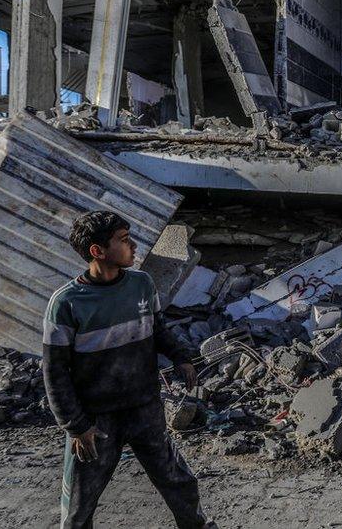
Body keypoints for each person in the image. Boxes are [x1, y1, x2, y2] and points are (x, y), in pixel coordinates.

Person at [42, 211, 214, 528]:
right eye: (123, 240)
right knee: (81, 501)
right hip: (96, 420)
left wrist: (182, 356)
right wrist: (76, 426)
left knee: (177, 480)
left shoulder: (141, 284)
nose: (133, 246)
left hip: (145, 408)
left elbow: (158, 329)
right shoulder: (66, 303)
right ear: (97, 251)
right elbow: (54, 373)